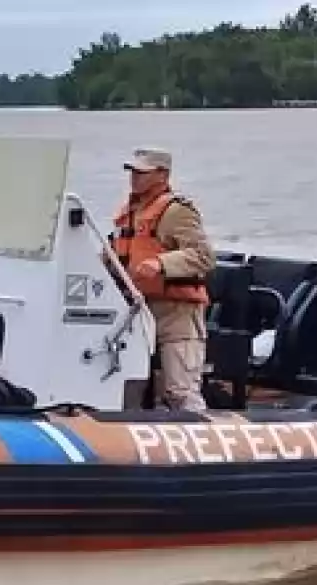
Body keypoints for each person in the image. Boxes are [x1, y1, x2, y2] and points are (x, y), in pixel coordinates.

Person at [108, 148, 215, 411]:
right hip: (138, 311)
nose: (134, 178)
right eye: (132, 172)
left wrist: (161, 263)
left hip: (176, 313)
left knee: (180, 390)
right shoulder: (129, 212)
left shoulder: (178, 211)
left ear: (162, 175)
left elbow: (204, 257)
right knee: (135, 384)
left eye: (142, 173)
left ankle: (196, 432)